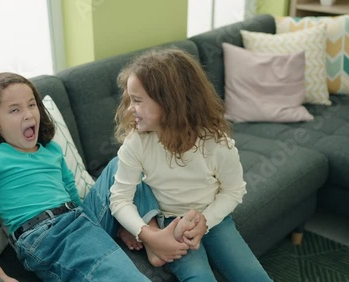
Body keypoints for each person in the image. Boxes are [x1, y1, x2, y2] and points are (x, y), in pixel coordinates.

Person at [0, 72, 160, 282]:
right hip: (45, 235)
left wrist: (114, 222)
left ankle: (151, 237)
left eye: (31, 105)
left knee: (120, 165)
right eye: (14, 110)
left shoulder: (52, 150)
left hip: (79, 217)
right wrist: (0, 275)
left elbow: (74, 198)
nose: (29, 115)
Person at [110, 48, 273, 281]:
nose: (129, 108)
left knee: (254, 276)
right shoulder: (136, 142)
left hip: (212, 219)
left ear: (169, 103)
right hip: (170, 224)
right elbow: (120, 199)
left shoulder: (216, 143)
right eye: (130, 99)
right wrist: (148, 235)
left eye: (137, 101)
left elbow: (234, 190)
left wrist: (205, 222)